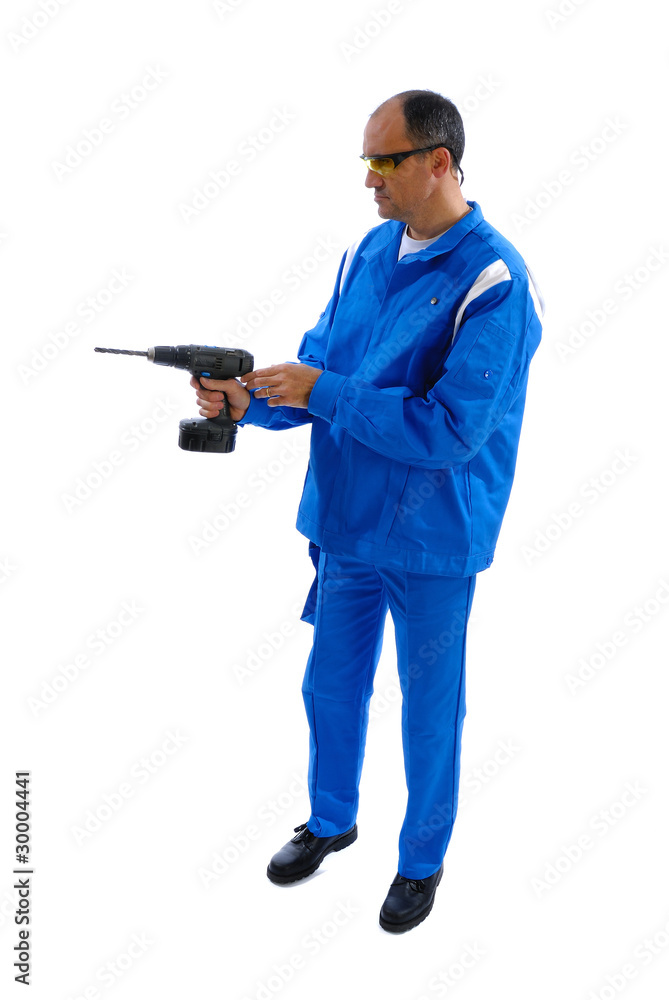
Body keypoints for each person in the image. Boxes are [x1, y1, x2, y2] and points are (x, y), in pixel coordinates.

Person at [191, 89, 544, 933]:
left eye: (385, 161)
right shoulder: (365, 252)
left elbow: (451, 430)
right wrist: (249, 403)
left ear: (439, 163)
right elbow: (318, 368)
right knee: (330, 684)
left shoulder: (494, 281)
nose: (369, 180)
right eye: (366, 160)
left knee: (428, 710)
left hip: (431, 538)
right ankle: (331, 820)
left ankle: (420, 864)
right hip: (347, 524)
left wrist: (325, 391)